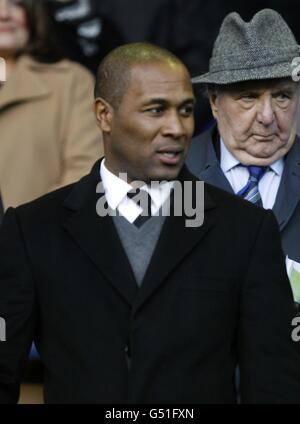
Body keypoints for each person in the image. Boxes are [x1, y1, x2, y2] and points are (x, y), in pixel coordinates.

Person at [0, 42, 299, 404]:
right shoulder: (31, 230)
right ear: (103, 115)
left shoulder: (247, 232)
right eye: (156, 110)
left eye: (186, 110)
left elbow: (274, 384)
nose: (176, 127)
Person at [186, 9, 300, 306]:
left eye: (282, 96)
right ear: (213, 102)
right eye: (248, 96)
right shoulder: (172, 176)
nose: (267, 117)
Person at [0, 0, 103, 210]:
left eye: (16, 3)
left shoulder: (72, 81)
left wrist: (22, 233)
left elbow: (83, 175)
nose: (3, 14)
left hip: (36, 238)